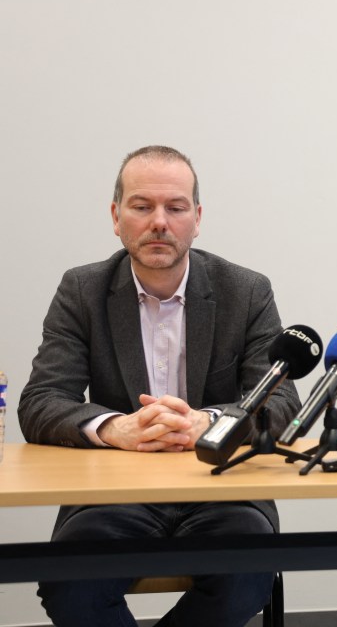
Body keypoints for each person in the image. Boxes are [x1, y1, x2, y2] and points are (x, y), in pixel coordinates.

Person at [18, 145, 302, 627]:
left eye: (175, 207)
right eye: (142, 206)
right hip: (114, 493)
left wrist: (206, 423)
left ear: (197, 217)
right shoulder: (82, 291)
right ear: (116, 216)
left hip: (220, 489)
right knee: (69, 583)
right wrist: (115, 428)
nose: (159, 222)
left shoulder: (246, 290)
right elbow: (41, 401)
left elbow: (283, 404)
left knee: (245, 575)